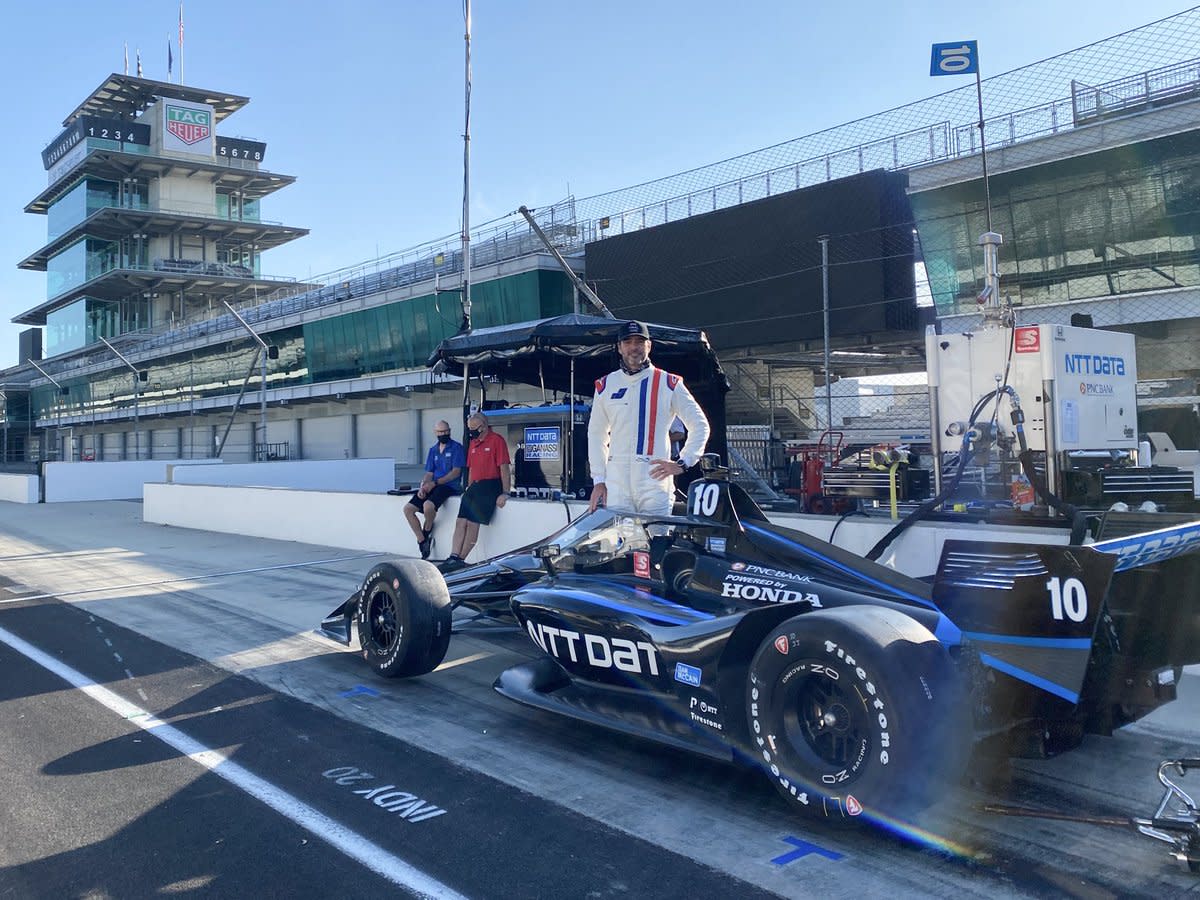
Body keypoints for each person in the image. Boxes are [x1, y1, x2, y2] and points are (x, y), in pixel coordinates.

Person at [588, 320, 710, 516]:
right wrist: (599, 480)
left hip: (654, 485)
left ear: (649, 346)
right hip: (617, 486)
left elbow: (700, 425)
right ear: (619, 347)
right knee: (621, 545)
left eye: (639, 342)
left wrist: (683, 463)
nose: (634, 347)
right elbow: (596, 435)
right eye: (627, 342)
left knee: (658, 542)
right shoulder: (605, 385)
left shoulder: (668, 382)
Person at [440, 412, 511, 571]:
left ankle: (461, 558)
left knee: (473, 523)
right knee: (460, 521)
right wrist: (468, 488)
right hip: (474, 487)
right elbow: (471, 469)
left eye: (474, 428)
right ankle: (454, 556)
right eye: (469, 429)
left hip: (490, 485)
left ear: (484, 426)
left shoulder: (496, 441)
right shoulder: (473, 443)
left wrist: (505, 492)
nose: (471, 432)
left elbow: (504, 467)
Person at [405, 420, 465, 559]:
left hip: (449, 486)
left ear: (449, 431)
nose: (443, 434)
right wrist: (424, 486)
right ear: (435, 433)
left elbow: (456, 472)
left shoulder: (456, 448)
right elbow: (429, 472)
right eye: (440, 432)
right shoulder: (433, 450)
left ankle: (427, 529)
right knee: (408, 509)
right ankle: (422, 541)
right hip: (433, 484)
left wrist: (435, 483)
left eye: (445, 431)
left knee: (428, 506)